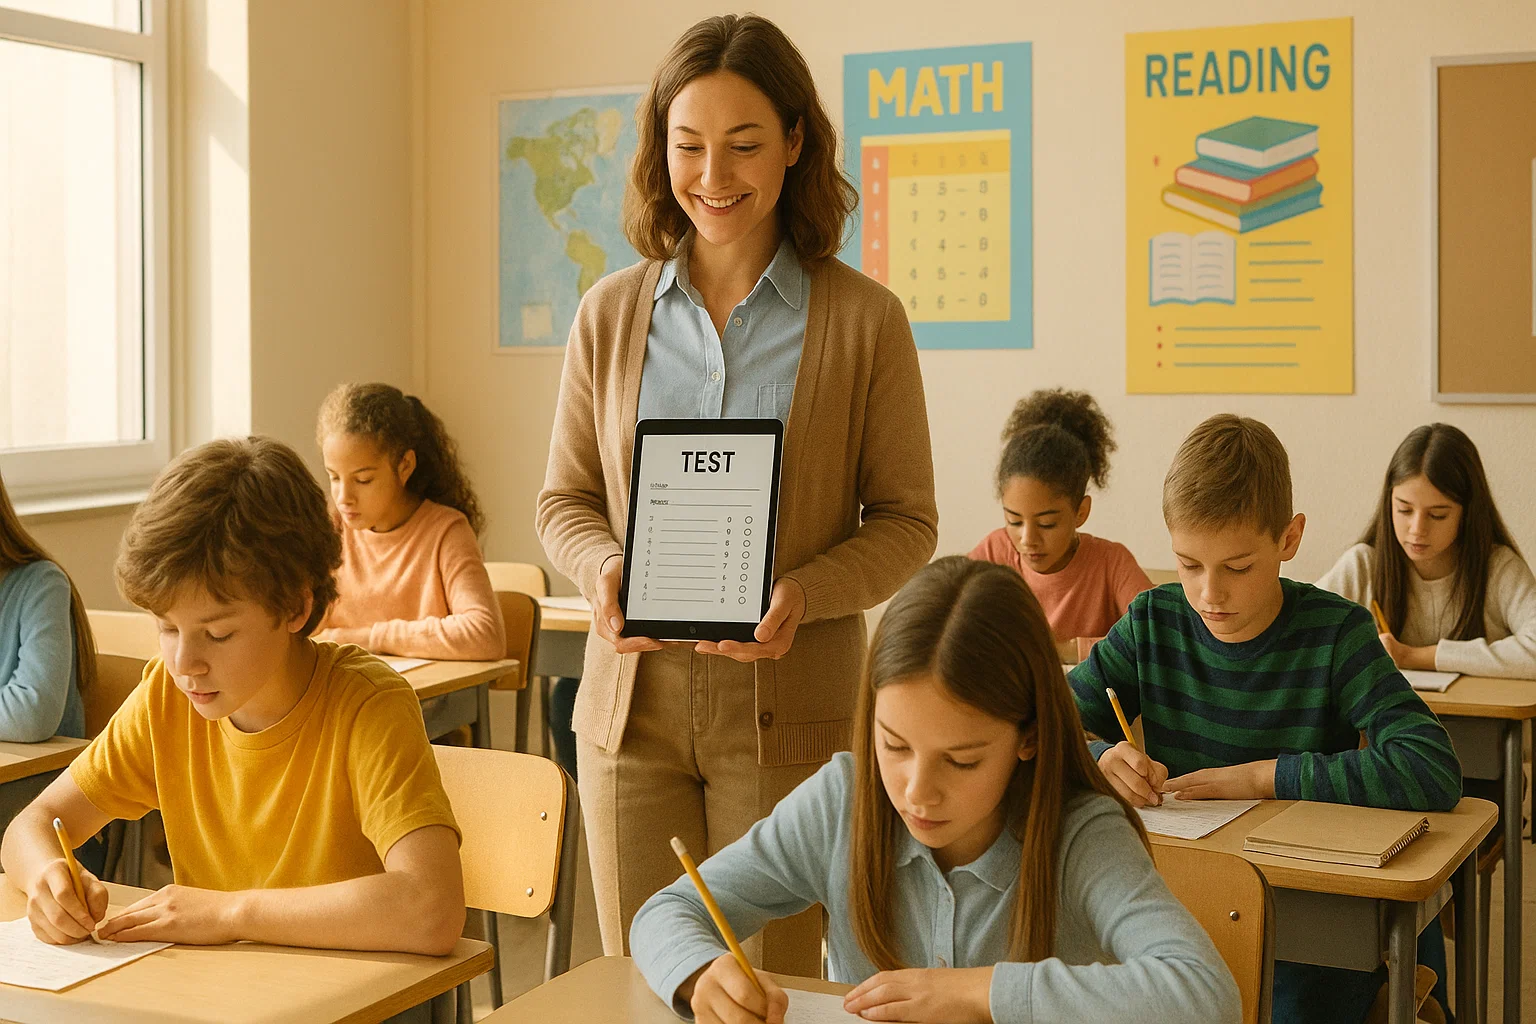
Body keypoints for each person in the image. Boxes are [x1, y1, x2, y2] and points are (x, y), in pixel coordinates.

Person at [535, 13, 937, 975]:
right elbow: (564, 502)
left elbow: (909, 522)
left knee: (775, 983)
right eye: (689, 146)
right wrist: (601, 569)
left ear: (797, 143)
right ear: (658, 153)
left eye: (745, 145)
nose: (714, 176)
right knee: (649, 977)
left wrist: (806, 592)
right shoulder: (609, 313)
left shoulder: (865, 320)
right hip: (630, 712)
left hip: (791, 711)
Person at [631, 557, 1239, 1024]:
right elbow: (667, 911)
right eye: (894, 746)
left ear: (1028, 737)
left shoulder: (1078, 831)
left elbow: (1203, 993)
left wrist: (979, 993)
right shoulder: (844, 800)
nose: (918, 792)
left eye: (962, 761)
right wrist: (702, 975)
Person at [0, 437, 464, 955]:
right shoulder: (166, 697)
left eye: (218, 635)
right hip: (222, 998)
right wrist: (48, 876)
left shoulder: (367, 705)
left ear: (294, 607)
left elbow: (432, 909)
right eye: (167, 628)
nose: (184, 664)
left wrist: (230, 911)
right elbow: (30, 825)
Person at [1069, 413, 1462, 1024]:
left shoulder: (1336, 634)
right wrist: (1100, 756)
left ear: (1289, 538)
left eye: (1237, 566)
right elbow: (1042, 719)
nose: (1208, 595)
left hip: (1305, 913)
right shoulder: (1153, 622)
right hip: (1183, 901)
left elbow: (1431, 767)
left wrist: (1261, 778)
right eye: (1188, 564)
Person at [1317, 422, 1536, 678]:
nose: (1417, 529)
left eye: (1437, 515)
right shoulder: (1364, 565)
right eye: (1404, 510)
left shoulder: (1498, 568)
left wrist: (1414, 657)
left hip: (1479, 718)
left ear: (1467, 514)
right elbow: (1298, 637)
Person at [316, 382, 504, 662]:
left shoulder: (446, 531)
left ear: (405, 466)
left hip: (427, 701)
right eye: (334, 477)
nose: (344, 497)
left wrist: (367, 638)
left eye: (363, 480)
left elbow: (484, 635)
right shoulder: (332, 528)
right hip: (348, 697)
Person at [969, 388, 1151, 657]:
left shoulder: (1111, 563)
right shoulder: (994, 552)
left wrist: (1064, 650)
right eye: (1014, 521)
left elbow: (1156, 634)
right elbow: (947, 615)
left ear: (1081, 512)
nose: (1027, 539)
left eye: (1047, 524)